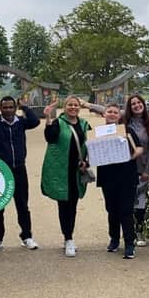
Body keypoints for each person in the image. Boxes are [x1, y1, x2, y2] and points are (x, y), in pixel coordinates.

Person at [0, 96, 41, 252]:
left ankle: (27, 236)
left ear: (15, 108)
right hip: (1, 170)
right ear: (1, 108)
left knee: (22, 205)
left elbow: (35, 121)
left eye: (11, 107)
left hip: (19, 168)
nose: (8, 110)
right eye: (5, 108)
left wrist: (25, 107)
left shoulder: (21, 122)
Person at [41, 95, 91, 257]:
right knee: (64, 204)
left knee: (73, 205)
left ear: (79, 107)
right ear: (64, 106)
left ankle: (69, 235)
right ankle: (68, 237)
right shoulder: (58, 123)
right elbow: (50, 138)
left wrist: (86, 162)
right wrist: (48, 117)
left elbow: (86, 146)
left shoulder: (83, 124)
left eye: (76, 105)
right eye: (70, 105)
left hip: (76, 171)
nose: (73, 107)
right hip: (61, 170)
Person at [96, 103, 143, 259]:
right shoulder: (98, 133)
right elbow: (91, 150)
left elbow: (140, 148)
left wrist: (132, 155)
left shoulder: (127, 130)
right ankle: (114, 238)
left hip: (127, 175)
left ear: (120, 115)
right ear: (104, 114)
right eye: (109, 111)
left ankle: (130, 242)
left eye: (115, 112)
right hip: (107, 175)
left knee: (126, 210)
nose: (112, 114)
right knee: (111, 210)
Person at [124, 94, 149, 247]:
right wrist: (87, 105)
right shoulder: (125, 121)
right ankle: (128, 231)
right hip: (126, 166)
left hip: (142, 167)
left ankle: (139, 230)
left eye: (139, 102)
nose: (137, 105)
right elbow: (107, 111)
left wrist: (148, 170)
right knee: (126, 201)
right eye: (133, 104)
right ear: (129, 107)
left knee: (140, 202)